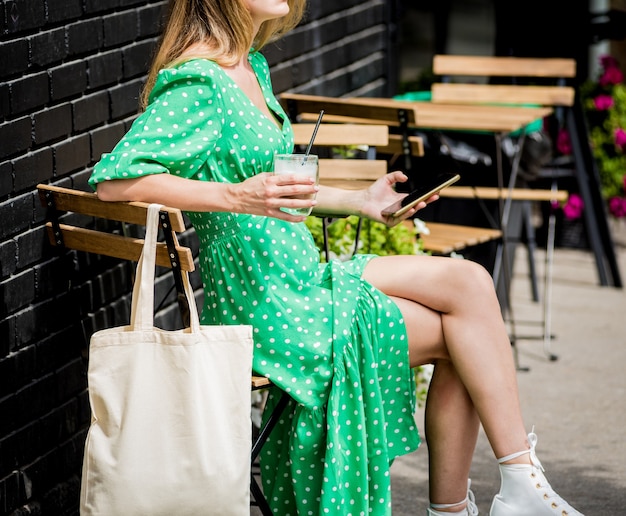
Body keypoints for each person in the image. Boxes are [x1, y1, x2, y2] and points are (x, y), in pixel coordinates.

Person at [89, 1, 584, 514]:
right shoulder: (198, 80)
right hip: (265, 304)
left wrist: (359, 202)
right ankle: (480, 502)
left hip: (301, 275)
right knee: (466, 339)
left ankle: (518, 482)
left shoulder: (251, 66)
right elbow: (117, 181)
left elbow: (279, 190)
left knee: (470, 283)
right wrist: (236, 196)